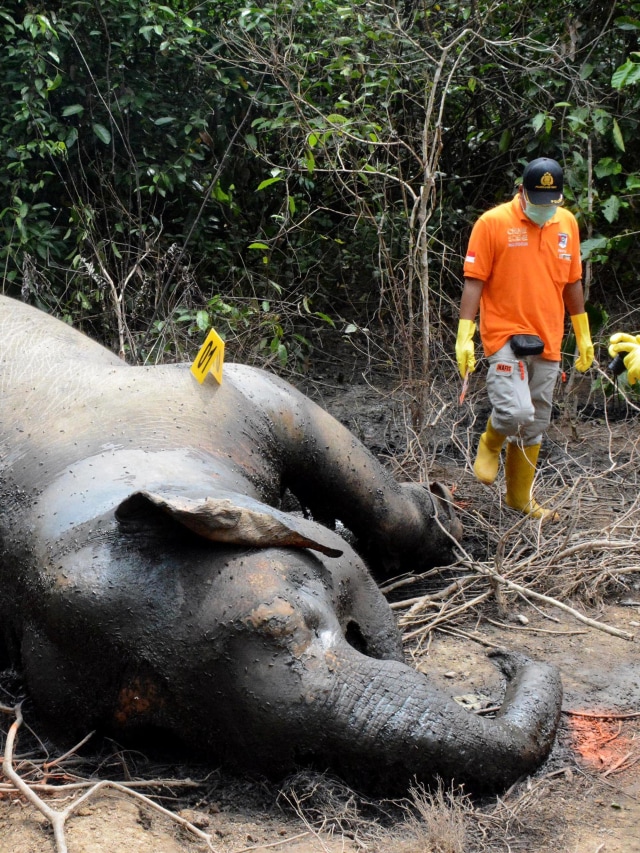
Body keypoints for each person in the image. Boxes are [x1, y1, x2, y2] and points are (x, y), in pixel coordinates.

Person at [456, 157, 594, 520]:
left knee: (535, 423)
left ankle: (519, 499)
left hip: (547, 336)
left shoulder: (566, 223)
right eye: (537, 201)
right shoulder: (492, 223)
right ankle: (490, 440)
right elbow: (475, 280)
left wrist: (582, 333)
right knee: (515, 412)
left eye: (551, 203)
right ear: (521, 192)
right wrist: (464, 335)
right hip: (504, 333)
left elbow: (572, 280)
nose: (544, 210)